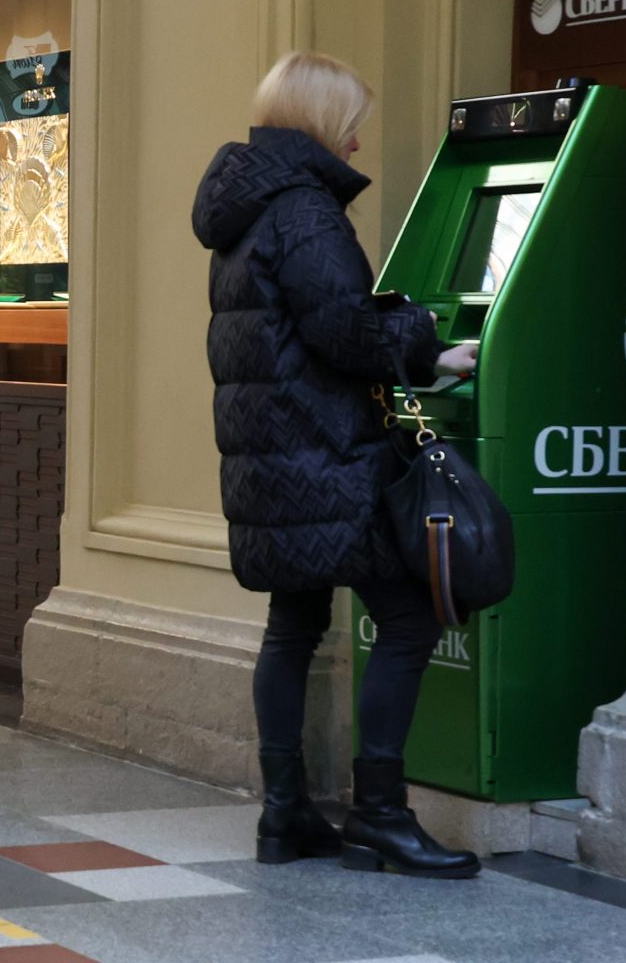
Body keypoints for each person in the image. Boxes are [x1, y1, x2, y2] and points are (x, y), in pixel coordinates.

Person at [192, 51, 483, 880]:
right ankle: (382, 817)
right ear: (321, 123)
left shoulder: (246, 208)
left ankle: (284, 814)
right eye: (351, 121)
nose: (358, 140)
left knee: (294, 623)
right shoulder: (306, 211)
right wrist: (425, 340)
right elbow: (345, 332)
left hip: (272, 456)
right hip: (327, 454)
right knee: (410, 617)